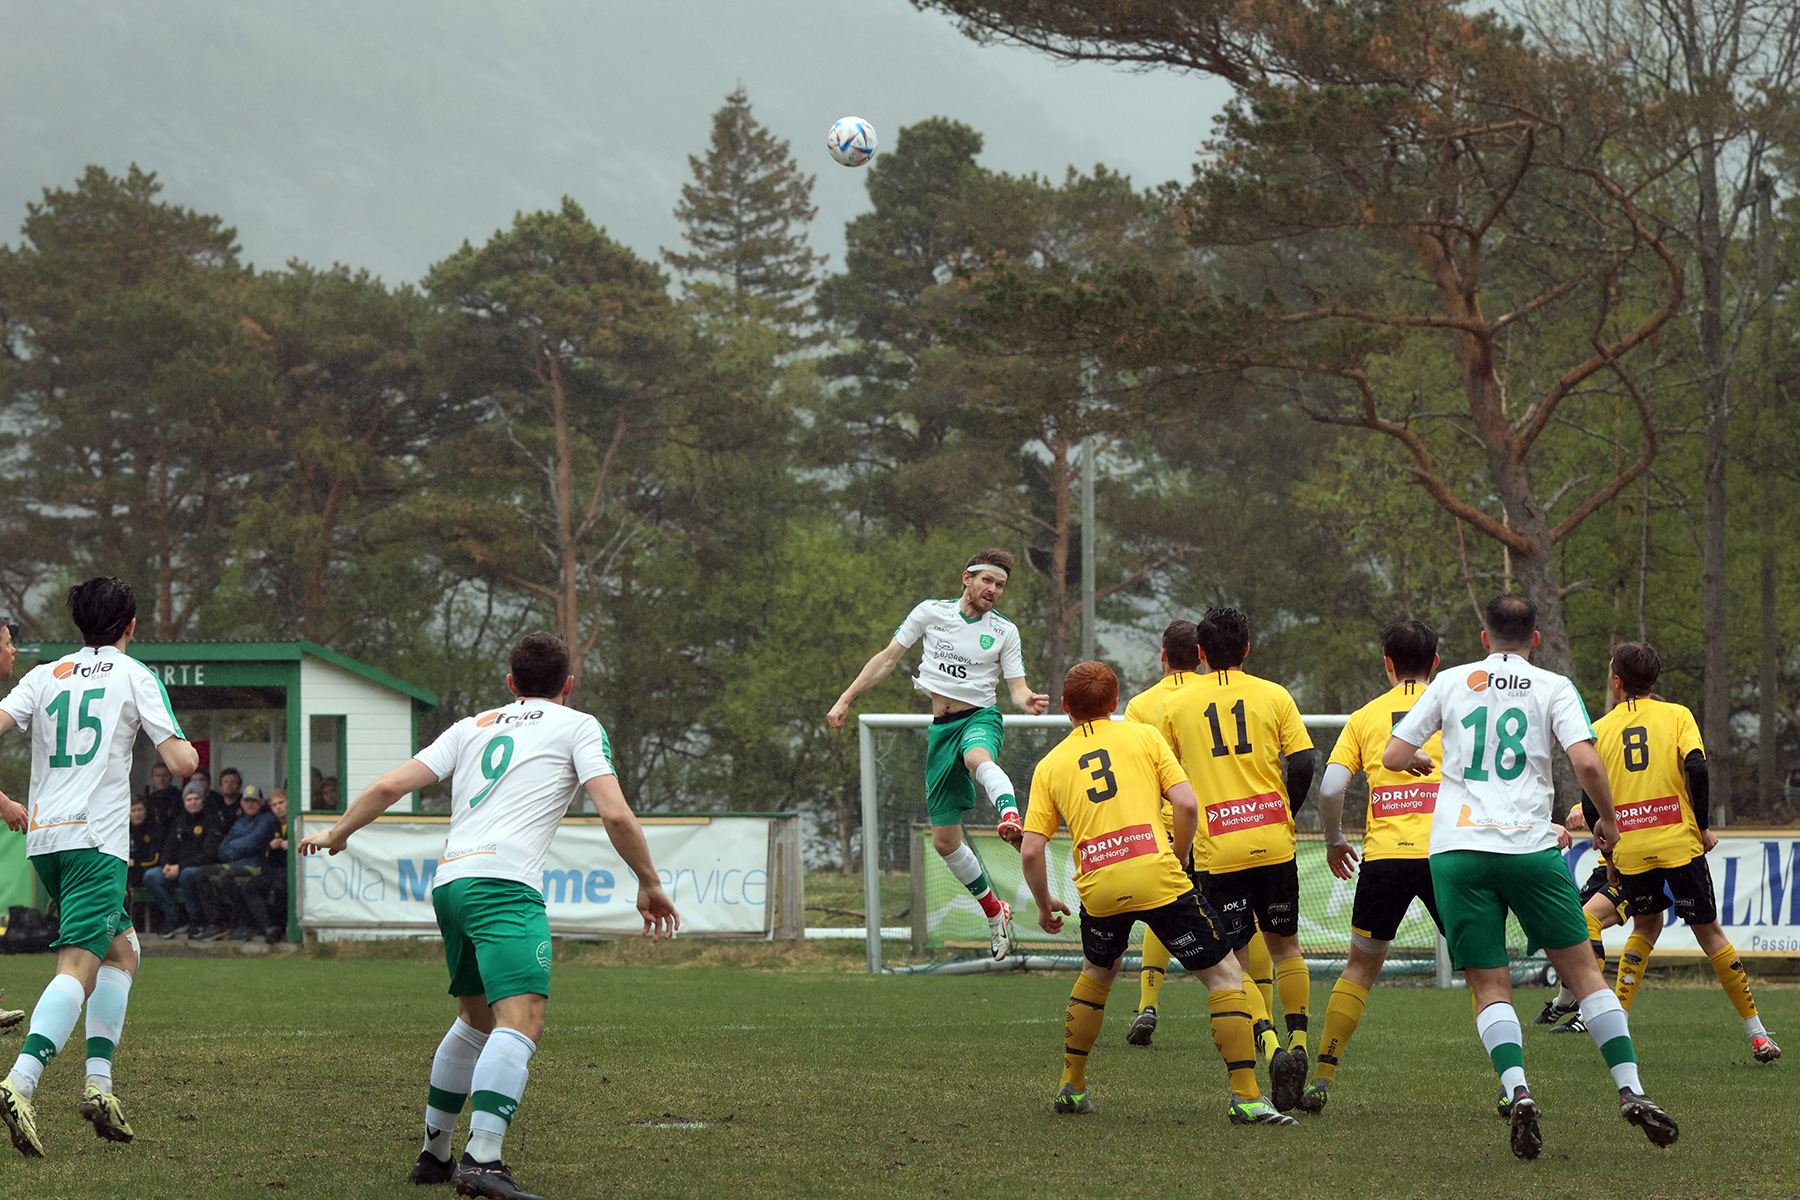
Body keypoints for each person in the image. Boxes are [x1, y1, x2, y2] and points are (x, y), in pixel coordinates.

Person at [300, 632, 679, 1200]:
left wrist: (338, 831)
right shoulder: (578, 725)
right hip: (504, 886)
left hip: (452, 883)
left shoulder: (472, 726)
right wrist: (649, 881)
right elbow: (616, 815)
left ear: (510, 682)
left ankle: (435, 1156)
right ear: (568, 684)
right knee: (521, 1020)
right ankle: (483, 1159)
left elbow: (388, 785)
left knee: (476, 1021)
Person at [1383, 594, 1678, 1160]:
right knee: (1585, 974)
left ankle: (1517, 1090)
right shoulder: (1553, 686)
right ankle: (1631, 1089)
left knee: (1490, 986)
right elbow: (1587, 762)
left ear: (1485, 636)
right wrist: (1609, 821)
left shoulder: (1451, 681)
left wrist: (1420, 760)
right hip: (1529, 848)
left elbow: (1394, 755)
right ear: (1535, 638)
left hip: (1459, 850)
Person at [1020, 660, 1296, 1127]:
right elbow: (1186, 803)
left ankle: (1071, 1086)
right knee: (1226, 975)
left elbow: (1031, 850)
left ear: (1065, 706)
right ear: (1115, 702)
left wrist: (1045, 903)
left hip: (1100, 885)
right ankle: (1247, 1098)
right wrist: (1181, 854)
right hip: (1156, 873)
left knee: (1097, 972)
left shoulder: (1050, 765)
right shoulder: (1144, 737)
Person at [0, 577, 199, 1155]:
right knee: (77, 966)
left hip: (46, 841)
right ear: (131, 625)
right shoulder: (135, 675)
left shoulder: (44, 675)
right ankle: (19, 1082)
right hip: (95, 841)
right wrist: (186, 748)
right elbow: (182, 763)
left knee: (122, 952)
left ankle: (100, 1086)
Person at [827, 549, 1049, 961]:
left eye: (1000, 585)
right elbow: (887, 659)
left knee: (978, 758)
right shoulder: (930, 612)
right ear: (967, 578)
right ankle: (994, 910)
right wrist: (845, 699)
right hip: (941, 730)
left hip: (980, 718)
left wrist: (1027, 700)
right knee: (946, 843)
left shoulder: (1004, 631)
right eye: (987, 581)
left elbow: (1017, 688)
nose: (993, 590)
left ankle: (1010, 816)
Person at [1562, 642, 1778, 1061]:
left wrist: (1610, 857)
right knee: (1710, 935)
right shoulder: (1677, 715)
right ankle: (1756, 1033)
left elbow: (1590, 798)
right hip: (1678, 843)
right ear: (1653, 679)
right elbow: (1697, 767)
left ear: (1617, 681)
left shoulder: (1599, 729)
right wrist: (1703, 825)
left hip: (1631, 847)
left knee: (1645, 926)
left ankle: (1617, 1023)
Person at [1157, 606, 1316, 1110]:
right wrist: (1285, 812)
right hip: (1273, 840)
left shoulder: (1176, 705)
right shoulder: (1275, 694)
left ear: (1200, 652)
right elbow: (1304, 763)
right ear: (1247, 648)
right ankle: (1299, 1044)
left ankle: (1269, 1045)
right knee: (1286, 948)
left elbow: (1167, 782)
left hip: (1218, 848)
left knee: (1235, 960)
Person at [1297, 619, 1446, 1113]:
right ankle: (1512, 1086)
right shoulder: (1455, 708)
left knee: (1360, 968)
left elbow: (1330, 789)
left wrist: (1335, 840)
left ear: (1387, 664)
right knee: (1484, 973)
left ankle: (1322, 1077)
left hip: (1384, 859)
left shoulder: (1364, 717)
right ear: (1435, 662)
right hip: (1446, 855)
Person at [1123, 620, 1281, 1049]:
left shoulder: (1141, 704)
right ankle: (1262, 1018)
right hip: (1220, 822)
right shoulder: (1213, 692)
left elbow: (1141, 770)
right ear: (1200, 655)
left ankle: (1148, 1004)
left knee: (1161, 909)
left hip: (1164, 825)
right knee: (1248, 920)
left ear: (1163, 655)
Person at [189, 787, 277, 940]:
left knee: (228, 877)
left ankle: (246, 923)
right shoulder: (240, 822)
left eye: (254, 801)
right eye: (247, 801)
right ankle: (218, 923)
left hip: (255, 866)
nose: (250, 804)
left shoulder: (267, 819)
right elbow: (222, 850)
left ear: (262, 802)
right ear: (242, 802)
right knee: (201, 874)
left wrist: (235, 845)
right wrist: (240, 847)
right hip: (234, 863)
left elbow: (252, 841)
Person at [145, 784, 222, 938]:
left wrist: (179, 867)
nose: (192, 802)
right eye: (189, 799)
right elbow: (168, 847)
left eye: (196, 798)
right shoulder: (179, 821)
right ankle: (176, 919)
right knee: (151, 876)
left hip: (198, 868)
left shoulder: (212, 821)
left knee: (187, 875)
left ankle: (196, 920)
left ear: (202, 800)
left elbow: (208, 854)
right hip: (176, 868)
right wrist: (166, 865)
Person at [219, 789, 290, 942]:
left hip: (291, 871)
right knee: (249, 887)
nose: (278, 807)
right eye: (274, 805)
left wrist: (292, 845)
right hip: (272, 870)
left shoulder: (297, 823)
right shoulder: (272, 824)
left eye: (281, 803)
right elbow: (259, 847)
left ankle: (280, 927)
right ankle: (267, 927)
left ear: (289, 803)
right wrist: (270, 846)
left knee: (280, 887)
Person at [141, 763, 181, 829]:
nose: (161, 780)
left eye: (165, 775)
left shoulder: (178, 797)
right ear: (152, 778)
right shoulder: (148, 799)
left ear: (171, 777)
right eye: (158, 776)